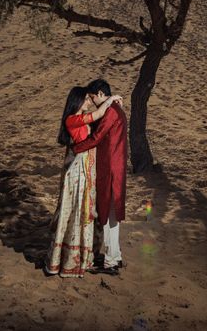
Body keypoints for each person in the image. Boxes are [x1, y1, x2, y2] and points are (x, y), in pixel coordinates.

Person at [44, 86, 122, 278]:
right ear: (77, 101)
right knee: (77, 210)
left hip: (88, 167)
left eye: (90, 98)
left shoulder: (82, 117)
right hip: (79, 168)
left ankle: (84, 256)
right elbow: (98, 116)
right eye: (87, 99)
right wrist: (110, 100)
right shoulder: (72, 119)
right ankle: (71, 259)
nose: (89, 102)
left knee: (86, 211)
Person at [72, 78, 128, 275]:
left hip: (110, 168)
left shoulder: (111, 111)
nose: (93, 101)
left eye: (93, 97)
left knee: (108, 214)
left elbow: (97, 137)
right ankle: (115, 256)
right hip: (116, 167)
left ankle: (111, 261)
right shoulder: (115, 108)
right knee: (112, 215)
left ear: (101, 94)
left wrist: (76, 148)